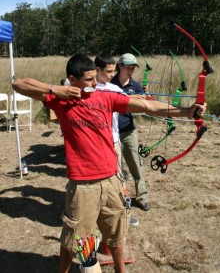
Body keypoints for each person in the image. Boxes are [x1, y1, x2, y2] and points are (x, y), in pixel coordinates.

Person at [12, 54, 206, 273]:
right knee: (76, 237)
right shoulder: (60, 100)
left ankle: (120, 271)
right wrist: (55, 89)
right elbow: (17, 84)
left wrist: (187, 111)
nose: (96, 83)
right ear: (72, 79)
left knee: (115, 234)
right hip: (83, 184)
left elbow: (147, 106)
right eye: (89, 80)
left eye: (96, 77)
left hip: (112, 179)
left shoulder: (105, 97)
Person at [94, 53, 139, 227]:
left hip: (113, 140)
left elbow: (141, 102)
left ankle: (123, 213)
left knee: (118, 177)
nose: (112, 75)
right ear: (97, 70)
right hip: (94, 142)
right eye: (108, 72)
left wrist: (185, 111)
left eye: (113, 71)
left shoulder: (114, 89)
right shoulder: (81, 87)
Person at [111, 53, 151, 211]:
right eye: (128, 67)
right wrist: (130, 97)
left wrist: (143, 99)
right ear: (119, 66)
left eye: (133, 67)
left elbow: (143, 107)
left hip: (128, 131)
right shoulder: (110, 83)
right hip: (112, 132)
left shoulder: (136, 85)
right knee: (116, 167)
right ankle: (120, 198)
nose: (130, 70)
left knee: (135, 164)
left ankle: (142, 197)